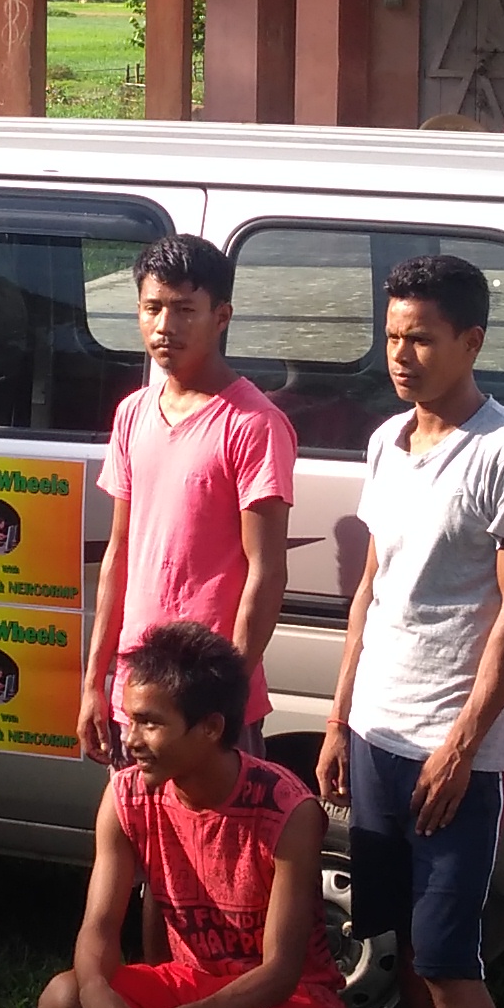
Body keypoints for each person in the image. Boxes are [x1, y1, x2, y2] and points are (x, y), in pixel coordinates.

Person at [319, 253, 504, 1008]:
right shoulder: (387, 442)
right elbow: (372, 589)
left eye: (423, 337)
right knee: (402, 945)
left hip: (452, 748)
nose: (404, 354)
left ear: (472, 342)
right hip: (375, 728)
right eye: (392, 336)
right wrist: (336, 718)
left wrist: (462, 746)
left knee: (453, 959)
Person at [36, 622, 341, 1008]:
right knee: (63, 1004)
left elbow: (280, 973)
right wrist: (97, 992)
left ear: (210, 728)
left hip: (289, 1001)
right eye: (131, 719)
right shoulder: (126, 797)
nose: (131, 740)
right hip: (190, 983)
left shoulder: (287, 809)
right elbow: (98, 928)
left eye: (151, 724)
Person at [74, 235, 296, 767]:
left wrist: (226, 703)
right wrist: (95, 683)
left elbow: (266, 575)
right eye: (152, 308)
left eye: (184, 310)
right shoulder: (133, 413)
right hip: (138, 693)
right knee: (135, 843)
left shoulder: (253, 424)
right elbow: (120, 556)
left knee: (217, 845)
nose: (165, 327)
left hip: (206, 708)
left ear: (222, 317)